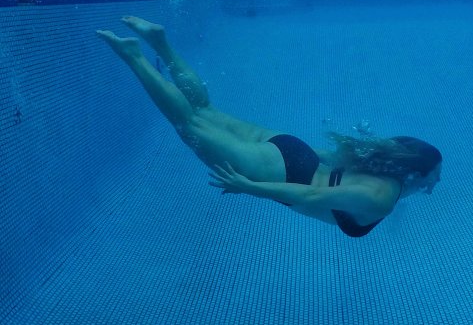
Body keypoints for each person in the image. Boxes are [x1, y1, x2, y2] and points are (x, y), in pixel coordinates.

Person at [96, 16, 441, 237]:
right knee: (188, 123)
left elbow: (326, 158)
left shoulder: (382, 170)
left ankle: (160, 42)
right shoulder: (381, 198)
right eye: (435, 175)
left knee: (206, 110)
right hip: (283, 173)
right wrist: (249, 186)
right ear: (417, 173)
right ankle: (134, 55)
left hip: (291, 151)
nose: (437, 181)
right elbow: (311, 195)